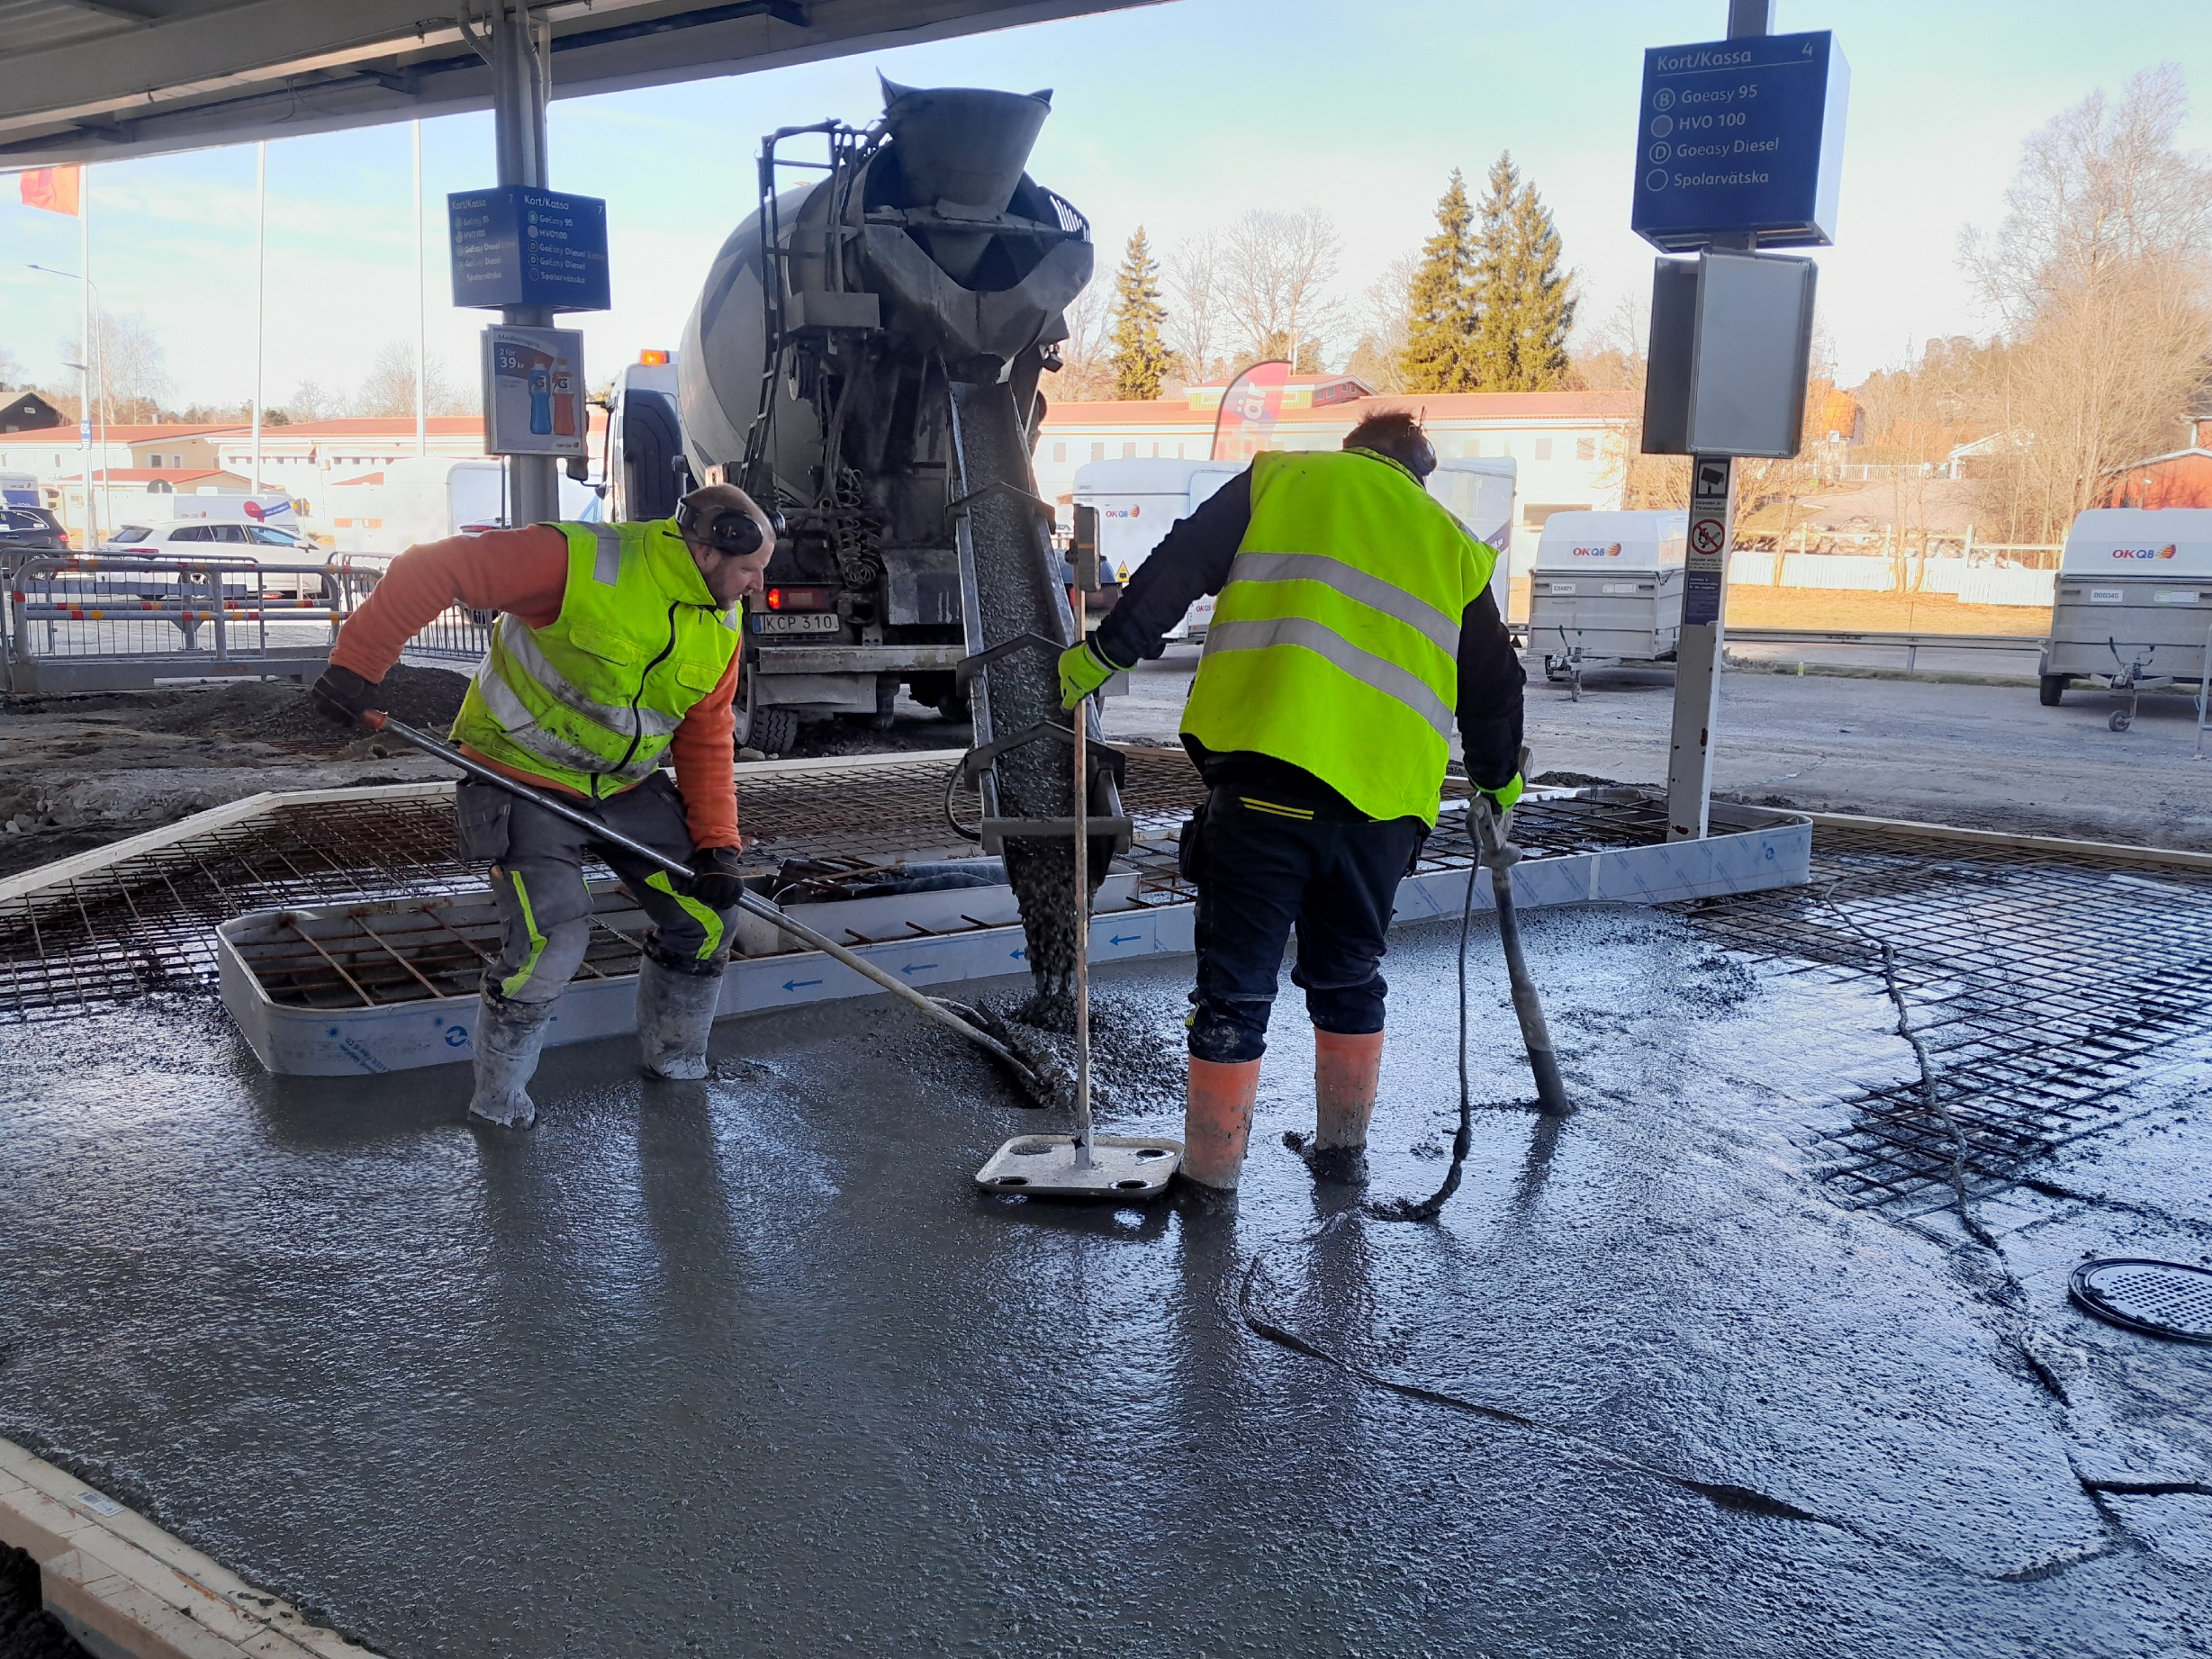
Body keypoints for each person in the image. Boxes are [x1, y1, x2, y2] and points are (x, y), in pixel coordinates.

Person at [1057, 410, 1524, 1191]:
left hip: (1265, 787)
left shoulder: (1282, 479)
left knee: (1234, 990)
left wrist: (1105, 653)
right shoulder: (1452, 543)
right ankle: (1342, 1157)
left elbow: (1180, 563)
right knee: (1348, 977)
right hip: (1380, 811)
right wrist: (1495, 782)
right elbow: (1493, 686)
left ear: (1354, 451)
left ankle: (1211, 1182)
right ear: (1418, 472)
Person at [310, 483, 777, 1128]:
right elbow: (434, 566)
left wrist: (719, 842)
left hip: (620, 783)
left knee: (705, 914)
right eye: (751, 570)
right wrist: (358, 663)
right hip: (518, 771)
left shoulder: (720, 616)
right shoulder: (577, 561)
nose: (756, 586)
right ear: (706, 550)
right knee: (552, 936)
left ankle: (678, 1063)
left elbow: (704, 734)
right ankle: (497, 1103)